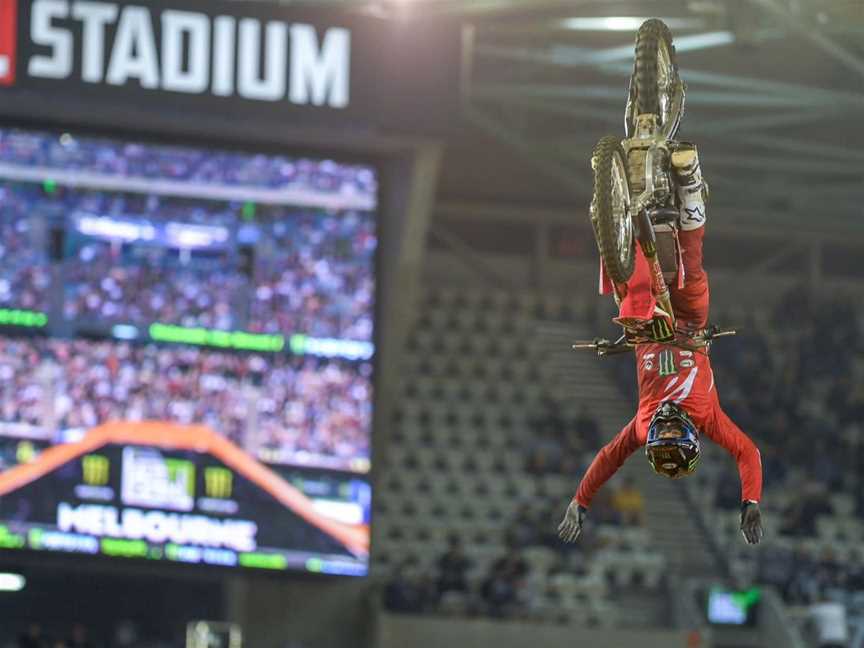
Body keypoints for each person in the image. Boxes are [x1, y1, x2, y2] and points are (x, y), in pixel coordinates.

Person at [559, 139, 763, 547]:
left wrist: (580, 502)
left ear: (651, 439)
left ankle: (611, 219)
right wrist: (750, 501)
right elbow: (748, 452)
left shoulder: (639, 426)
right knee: (693, 262)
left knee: (621, 291)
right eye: (675, 431)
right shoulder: (709, 419)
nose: (666, 423)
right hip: (689, 321)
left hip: (645, 324)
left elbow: (606, 459)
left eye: (661, 432)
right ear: (690, 435)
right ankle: (689, 182)